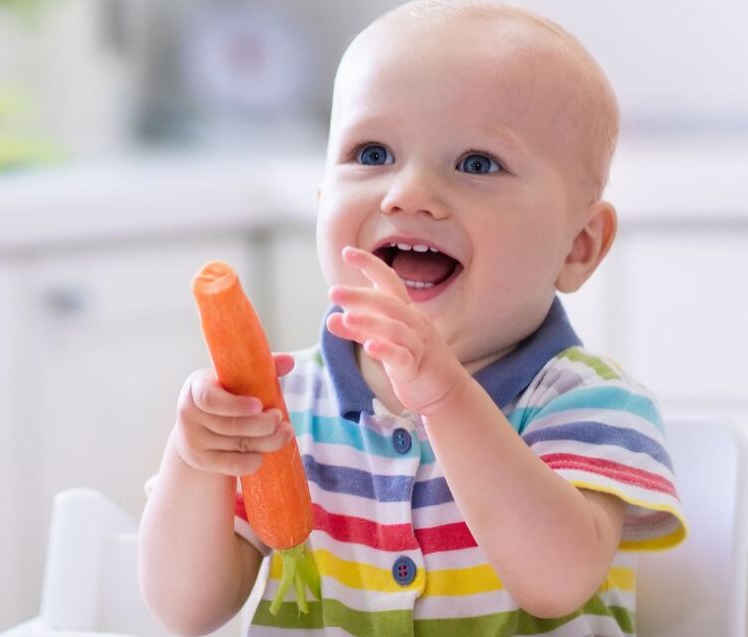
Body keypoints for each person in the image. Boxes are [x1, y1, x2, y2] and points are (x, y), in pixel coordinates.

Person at [139, 1, 687, 635]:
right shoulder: (282, 409)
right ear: (322, 204)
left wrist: (446, 396)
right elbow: (184, 610)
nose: (408, 193)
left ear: (578, 245)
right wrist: (195, 459)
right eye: (372, 153)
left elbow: (556, 581)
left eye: (477, 163)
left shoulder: (590, 404)